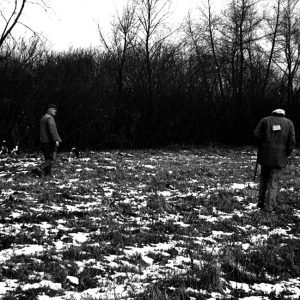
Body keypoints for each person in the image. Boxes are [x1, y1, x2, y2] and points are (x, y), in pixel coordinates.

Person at [254, 108, 296, 212]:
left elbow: (256, 134)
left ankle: (260, 201)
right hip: (279, 156)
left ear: (273, 112)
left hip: (265, 155)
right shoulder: (289, 123)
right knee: (274, 182)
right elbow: (292, 141)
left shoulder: (265, 120)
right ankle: (269, 207)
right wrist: (287, 153)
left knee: (263, 178)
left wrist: (262, 144)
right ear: (283, 114)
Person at [33, 104, 62, 177]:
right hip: (49, 142)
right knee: (51, 159)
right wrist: (56, 139)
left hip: (43, 142)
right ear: (49, 109)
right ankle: (39, 168)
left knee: (47, 159)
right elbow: (52, 130)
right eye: (54, 109)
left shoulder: (43, 118)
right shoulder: (50, 118)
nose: (56, 111)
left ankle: (48, 174)